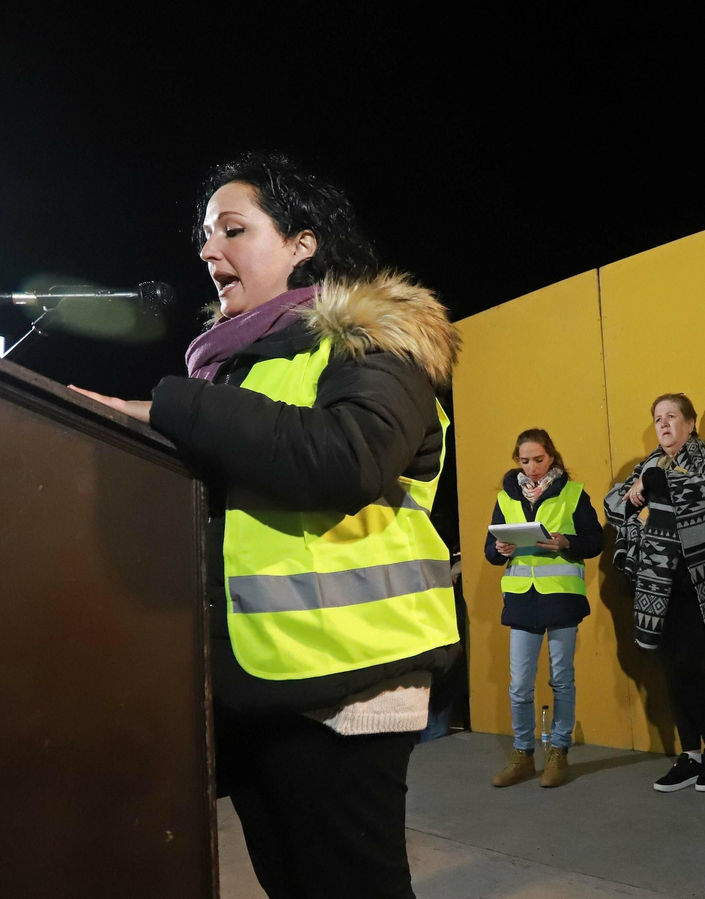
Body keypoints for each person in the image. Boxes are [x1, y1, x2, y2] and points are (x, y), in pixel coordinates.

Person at [73, 152, 460, 899]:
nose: (207, 250)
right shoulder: (237, 368)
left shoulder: (373, 341)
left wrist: (168, 407)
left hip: (348, 686)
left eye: (233, 228)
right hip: (254, 683)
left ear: (302, 243)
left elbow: (347, 458)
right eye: (204, 236)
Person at [605, 393, 705, 793]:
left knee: (690, 667)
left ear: (690, 423)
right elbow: (615, 504)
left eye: (672, 416)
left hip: (703, 586)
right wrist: (638, 498)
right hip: (660, 587)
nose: (665, 424)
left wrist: (649, 488)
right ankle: (690, 754)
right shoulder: (651, 464)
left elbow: (699, 493)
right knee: (672, 671)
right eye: (658, 418)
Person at [485, 428, 603, 788]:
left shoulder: (573, 493)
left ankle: (559, 752)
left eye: (539, 459)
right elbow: (491, 551)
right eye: (525, 461)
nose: (533, 468)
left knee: (561, 680)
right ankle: (523, 753)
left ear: (552, 456)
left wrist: (566, 542)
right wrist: (500, 549)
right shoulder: (506, 496)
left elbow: (595, 541)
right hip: (522, 598)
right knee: (519, 685)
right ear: (517, 461)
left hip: (562, 598)